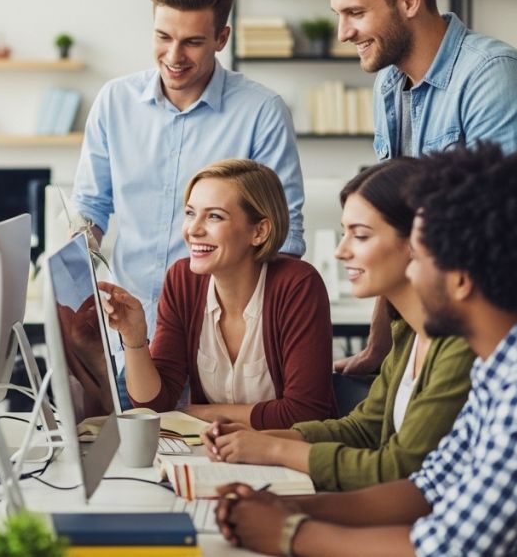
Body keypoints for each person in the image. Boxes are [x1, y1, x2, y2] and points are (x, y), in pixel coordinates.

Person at [215, 145, 517, 556]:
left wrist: (289, 533)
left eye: (421, 257)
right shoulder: (507, 363)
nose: (411, 271)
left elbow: (450, 549)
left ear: (461, 279)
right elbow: (427, 488)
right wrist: (285, 507)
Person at [316, 0, 517, 376]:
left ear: (408, 1)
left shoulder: (493, 78)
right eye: (339, 14)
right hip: (439, 337)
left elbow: (496, 238)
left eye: (356, 12)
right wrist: (381, 348)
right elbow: (391, 224)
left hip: (516, 344)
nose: (344, 33)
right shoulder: (389, 85)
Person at [71, 0, 307, 407]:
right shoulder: (114, 101)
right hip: (128, 343)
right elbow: (90, 207)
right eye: (163, 37)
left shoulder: (261, 111)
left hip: (218, 351)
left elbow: (286, 235)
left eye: (193, 42)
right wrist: (74, 260)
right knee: (129, 471)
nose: (174, 56)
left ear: (222, 38)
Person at [201, 159, 474, 490]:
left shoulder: (462, 346)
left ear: (417, 242)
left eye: (359, 236)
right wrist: (255, 438)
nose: (341, 251)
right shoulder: (408, 335)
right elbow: (363, 430)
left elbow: (398, 470)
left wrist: (274, 448)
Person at [98, 160, 333, 429]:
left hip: (286, 456)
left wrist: (197, 413)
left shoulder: (297, 285)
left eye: (214, 216)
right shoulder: (182, 281)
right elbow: (156, 406)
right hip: (214, 452)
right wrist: (134, 339)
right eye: (190, 213)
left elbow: (305, 413)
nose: (193, 230)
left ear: (259, 231)